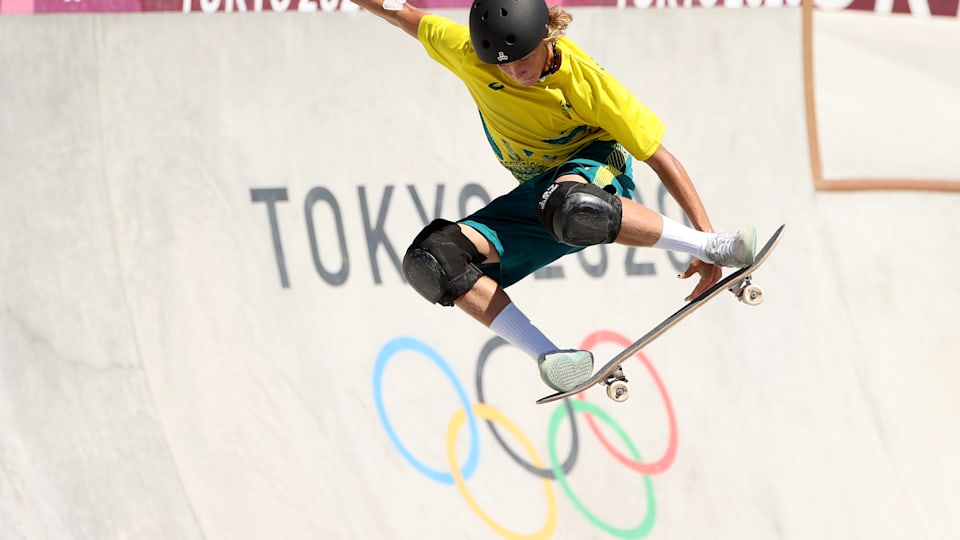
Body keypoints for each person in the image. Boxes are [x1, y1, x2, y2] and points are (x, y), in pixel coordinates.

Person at [353, 0, 757, 392]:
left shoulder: (587, 83)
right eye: (502, 64)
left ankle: (713, 245)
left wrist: (708, 241)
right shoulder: (466, 51)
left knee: (569, 205)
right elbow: (400, 12)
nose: (515, 71)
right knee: (434, 259)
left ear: (545, 35)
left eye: (523, 57)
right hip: (538, 192)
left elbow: (661, 158)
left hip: (596, 168)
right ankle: (552, 358)